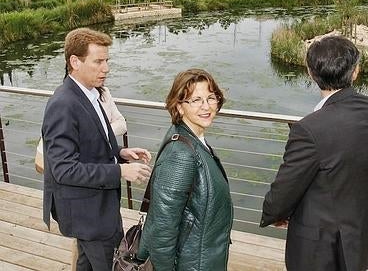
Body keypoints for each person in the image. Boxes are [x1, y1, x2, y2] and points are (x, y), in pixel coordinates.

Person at [260, 36, 368, 271]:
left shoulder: (309, 128)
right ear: (355, 71)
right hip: (360, 233)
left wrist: (274, 213)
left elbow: (286, 186)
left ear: (310, 73)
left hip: (322, 246)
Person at [42, 27, 152, 271]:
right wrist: (120, 173)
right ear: (75, 62)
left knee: (86, 265)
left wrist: (120, 154)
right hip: (89, 214)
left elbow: (91, 142)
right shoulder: (63, 104)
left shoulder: (90, 93)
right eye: (98, 61)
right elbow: (64, 170)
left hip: (99, 208)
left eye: (107, 60)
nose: (106, 68)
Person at [137, 68, 233, 270]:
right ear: (179, 107)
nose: (206, 107)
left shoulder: (193, 138)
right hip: (193, 264)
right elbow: (162, 228)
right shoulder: (181, 154)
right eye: (196, 100)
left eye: (211, 98)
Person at [35, 86, 127, 173]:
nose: (105, 70)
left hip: (98, 168)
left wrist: (118, 151)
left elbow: (122, 124)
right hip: (77, 172)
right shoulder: (65, 100)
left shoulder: (103, 93)